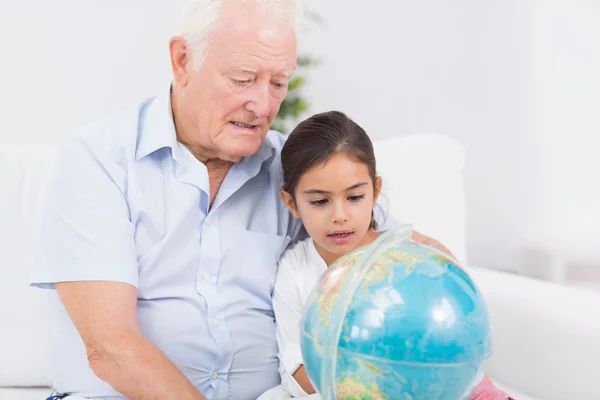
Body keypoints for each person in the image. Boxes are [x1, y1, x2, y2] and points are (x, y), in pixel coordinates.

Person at [31, 1, 449, 399]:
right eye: (243, 79)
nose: (262, 105)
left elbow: (419, 259)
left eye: (279, 83)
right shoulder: (97, 160)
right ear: (182, 61)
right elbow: (111, 347)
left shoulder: (298, 176)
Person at [270, 111, 514, 399]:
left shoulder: (412, 258)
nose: (340, 216)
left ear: (375, 193)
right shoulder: (294, 271)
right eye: (320, 201)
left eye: (355, 197)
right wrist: (361, 383)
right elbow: (296, 371)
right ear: (292, 203)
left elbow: (456, 330)